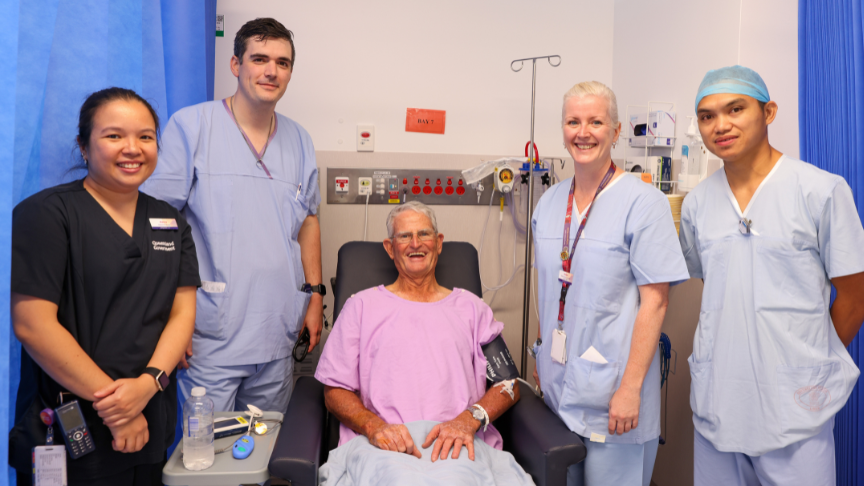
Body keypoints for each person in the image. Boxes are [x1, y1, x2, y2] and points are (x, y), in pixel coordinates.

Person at [679, 65, 864, 486]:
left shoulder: (820, 191)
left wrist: (808, 361)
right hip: (719, 399)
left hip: (795, 405)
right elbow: (719, 290)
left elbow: (855, 297)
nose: (720, 125)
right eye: (707, 116)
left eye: (735, 109)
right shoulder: (697, 205)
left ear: (769, 112)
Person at [8, 87, 199, 485]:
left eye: (146, 137)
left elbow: (182, 313)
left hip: (149, 412)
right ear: (83, 146)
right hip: (73, 421)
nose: (133, 148)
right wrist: (120, 409)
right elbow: (32, 325)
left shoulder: (169, 221)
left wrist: (147, 387)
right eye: (114, 136)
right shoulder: (46, 214)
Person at [140, 18, 323, 415]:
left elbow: (309, 220)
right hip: (211, 332)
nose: (271, 71)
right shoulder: (192, 126)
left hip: (276, 329)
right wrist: (170, 315)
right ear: (235, 65)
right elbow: (157, 220)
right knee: (204, 459)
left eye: (283, 62)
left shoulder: (300, 140)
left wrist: (315, 294)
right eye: (259, 59)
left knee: (261, 452)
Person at [531, 81, 690, 486]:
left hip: (615, 395)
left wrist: (631, 389)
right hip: (558, 388)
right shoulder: (549, 203)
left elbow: (655, 302)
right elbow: (547, 289)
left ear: (616, 131)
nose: (583, 132)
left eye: (596, 121)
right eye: (573, 121)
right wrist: (541, 352)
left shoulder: (643, 203)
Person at [315, 201, 521, 463]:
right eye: (404, 236)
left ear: (438, 242)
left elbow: (509, 384)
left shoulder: (472, 309)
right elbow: (334, 391)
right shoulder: (360, 306)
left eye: (424, 234)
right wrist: (374, 427)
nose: (416, 243)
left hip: (460, 447)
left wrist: (469, 420)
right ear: (390, 248)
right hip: (384, 449)